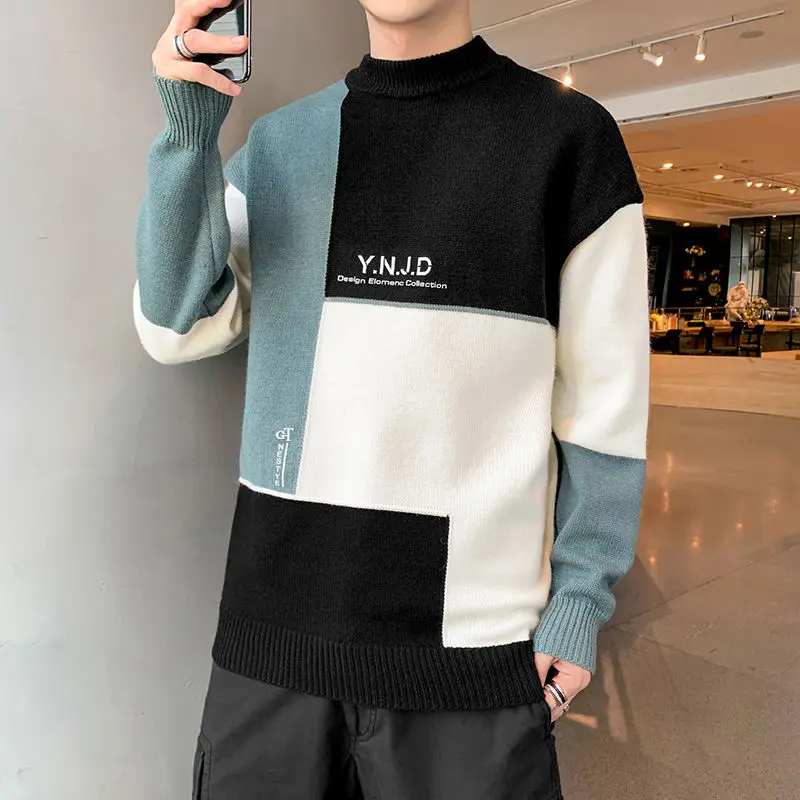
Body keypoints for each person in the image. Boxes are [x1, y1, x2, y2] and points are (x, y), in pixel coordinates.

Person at [136, 0, 649, 797]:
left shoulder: (568, 140)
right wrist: (189, 133)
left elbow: (605, 406)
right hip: (272, 645)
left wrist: (581, 597)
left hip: (471, 655)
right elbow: (174, 326)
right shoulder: (281, 144)